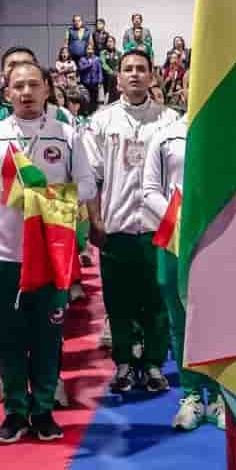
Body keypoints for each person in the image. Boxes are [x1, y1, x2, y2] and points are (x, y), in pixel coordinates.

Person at [0, 60, 98, 444]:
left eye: (34, 85)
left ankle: (44, 409)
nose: (27, 92)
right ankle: (15, 411)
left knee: (48, 336)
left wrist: (47, 198)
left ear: (48, 89)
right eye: (19, 86)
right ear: (7, 91)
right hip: (4, 254)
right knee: (8, 338)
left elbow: (87, 186)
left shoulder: (67, 135)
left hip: (51, 254)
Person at [85, 50, 178, 394]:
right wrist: (95, 220)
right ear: (118, 77)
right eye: (128, 69)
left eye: (142, 69)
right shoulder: (101, 121)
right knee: (119, 301)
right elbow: (91, 178)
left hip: (160, 227)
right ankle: (124, 363)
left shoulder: (170, 120)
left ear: (153, 76)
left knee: (157, 301)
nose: (135, 74)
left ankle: (154, 364)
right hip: (117, 226)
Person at [142, 78, 227, 431]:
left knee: (219, 318)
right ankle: (192, 392)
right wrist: (181, 221)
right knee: (180, 318)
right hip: (175, 239)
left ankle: (222, 394)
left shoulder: (227, 130)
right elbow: (149, 190)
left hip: (220, 237)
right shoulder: (164, 135)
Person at [78, 44, 103, 112]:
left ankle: (93, 111)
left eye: (91, 49)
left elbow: (99, 71)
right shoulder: (82, 59)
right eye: (88, 49)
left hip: (94, 82)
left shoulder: (97, 59)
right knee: (86, 98)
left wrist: (100, 81)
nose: (90, 51)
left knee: (94, 98)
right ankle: (85, 111)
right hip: (85, 82)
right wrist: (89, 64)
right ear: (86, 50)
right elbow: (81, 68)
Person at [101, 36, 122, 103]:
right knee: (107, 95)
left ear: (114, 43)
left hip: (116, 76)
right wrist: (110, 71)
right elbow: (103, 64)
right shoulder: (103, 53)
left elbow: (121, 63)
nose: (109, 43)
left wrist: (116, 71)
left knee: (117, 94)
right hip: (107, 77)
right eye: (108, 41)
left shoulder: (119, 53)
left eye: (111, 41)